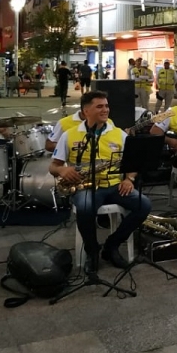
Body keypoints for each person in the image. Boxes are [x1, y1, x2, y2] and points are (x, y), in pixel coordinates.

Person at [49, 91, 151, 273]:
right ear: (86, 111)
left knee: (144, 204)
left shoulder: (118, 134)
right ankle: (92, 250)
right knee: (86, 207)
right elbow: (53, 167)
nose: (105, 110)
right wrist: (63, 170)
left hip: (114, 185)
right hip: (85, 186)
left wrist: (129, 179)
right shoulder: (70, 134)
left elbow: (133, 162)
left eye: (106, 106)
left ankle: (112, 245)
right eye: (100, 106)